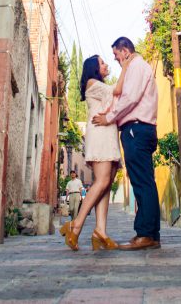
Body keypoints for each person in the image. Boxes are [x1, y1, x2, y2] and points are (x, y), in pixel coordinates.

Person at [90, 37, 159, 250]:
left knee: (142, 182)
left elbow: (129, 98)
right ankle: (151, 234)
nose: (116, 60)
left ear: (125, 50)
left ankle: (146, 235)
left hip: (136, 129)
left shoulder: (137, 66)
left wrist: (109, 119)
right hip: (139, 129)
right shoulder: (137, 67)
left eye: (117, 55)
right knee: (145, 181)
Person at [59, 55, 121, 251]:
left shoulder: (99, 85)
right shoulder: (92, 82)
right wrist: (127, 65)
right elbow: (117, 92)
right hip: (100, 133)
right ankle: (76, 225)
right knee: (102, 181)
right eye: (102, 63)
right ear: (94, 68)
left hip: (108, 133)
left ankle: (100, 231)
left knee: (106, 183)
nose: (106, 65)